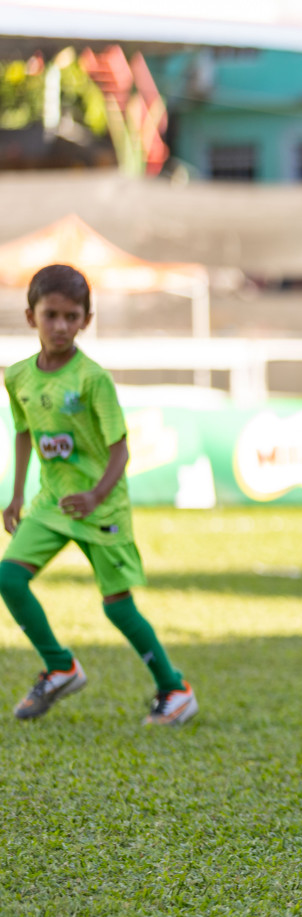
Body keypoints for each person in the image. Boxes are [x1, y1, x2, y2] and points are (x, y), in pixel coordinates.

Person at [4, 264, 196, 725]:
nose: (61, 326)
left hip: (101, 507)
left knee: (117, 608)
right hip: (52, 503)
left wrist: (95, 495)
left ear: (86, 320)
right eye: (51, 315)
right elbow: (24, 433)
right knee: (8, 579)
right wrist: (15, 496)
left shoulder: (93, 380)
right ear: (31, 316)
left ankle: (175, 689)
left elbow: (120, 449)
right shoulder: (17, 378)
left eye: (72, 317)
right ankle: (59, 666)